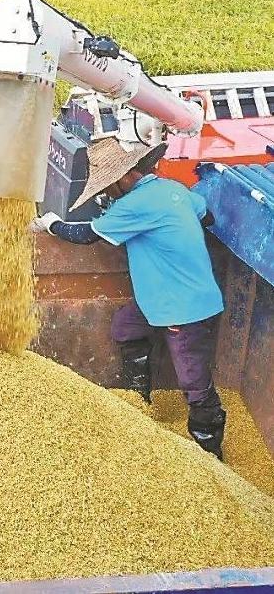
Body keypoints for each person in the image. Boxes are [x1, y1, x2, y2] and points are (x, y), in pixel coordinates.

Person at [31, 138, 227, 460]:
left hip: (183, 309)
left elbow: (86, 236)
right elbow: (206, 217)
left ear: (125, 177)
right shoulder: (170, 189)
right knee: (126, 326)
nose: (106, 194)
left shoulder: (133, 206)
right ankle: (139, 395)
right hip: (163, 297)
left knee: (193, 378)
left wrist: (52, 224)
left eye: (109, 187)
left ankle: (211, 449)